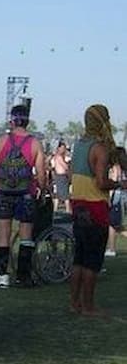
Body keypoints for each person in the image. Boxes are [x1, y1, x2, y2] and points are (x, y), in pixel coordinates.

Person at [70, 106, 127, 314]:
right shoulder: (99, 148)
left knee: (79, 258)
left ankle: (75, 303)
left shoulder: (78, 145)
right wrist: (119, 184)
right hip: (95, 207)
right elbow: (101, 182)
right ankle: (88, 306)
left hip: (78, 206)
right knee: (92, 261)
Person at [0, 104, 46, 288]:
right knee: (26, 235)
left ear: (12, 121)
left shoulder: (1, 141)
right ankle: (23, 276)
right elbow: (41, 174)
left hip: (4, 193)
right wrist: (42, 191)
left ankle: (3, 276)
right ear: (27, 121)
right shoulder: (35, 143)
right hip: (26, 194)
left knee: (4, 234)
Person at [51, 141, 71, 212]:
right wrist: (68, 165)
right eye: (62, 148)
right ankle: (68, 210)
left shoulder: (57, 156)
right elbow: (65, 167)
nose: (63, 150)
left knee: (58, 194)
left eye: (64, 148)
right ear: (59, 148)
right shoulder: (59, 157)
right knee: (65, 195)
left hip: (60, 176)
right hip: (61, 177)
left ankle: (55, 210)